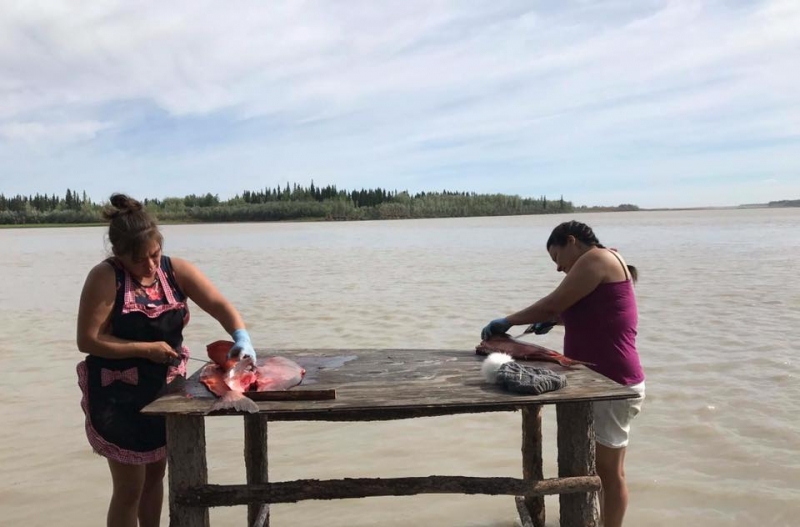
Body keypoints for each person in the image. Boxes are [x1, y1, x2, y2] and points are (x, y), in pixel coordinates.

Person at [76, 193, 256, 527]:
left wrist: (241, 336)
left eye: (155, 254)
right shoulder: (104, 277)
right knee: (129, 487)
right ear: (120, 256)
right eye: (140, 260)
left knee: (156, 474)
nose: (151, 265)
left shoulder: (176, 270)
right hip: (117, 394)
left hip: (164, 388)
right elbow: (88, 340)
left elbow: (218, 304)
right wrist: (144, 349)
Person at [481, 220, 645, 527]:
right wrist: (557, 321)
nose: (558, 268)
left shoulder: (596, 259)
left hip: (614, 385)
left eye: (557, 259)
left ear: (572, 242)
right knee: (601, 471)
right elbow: (600, 316)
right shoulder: (608, 259)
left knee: (609, 474)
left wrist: (508, 321)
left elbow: (553, 303)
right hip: (605, 381)